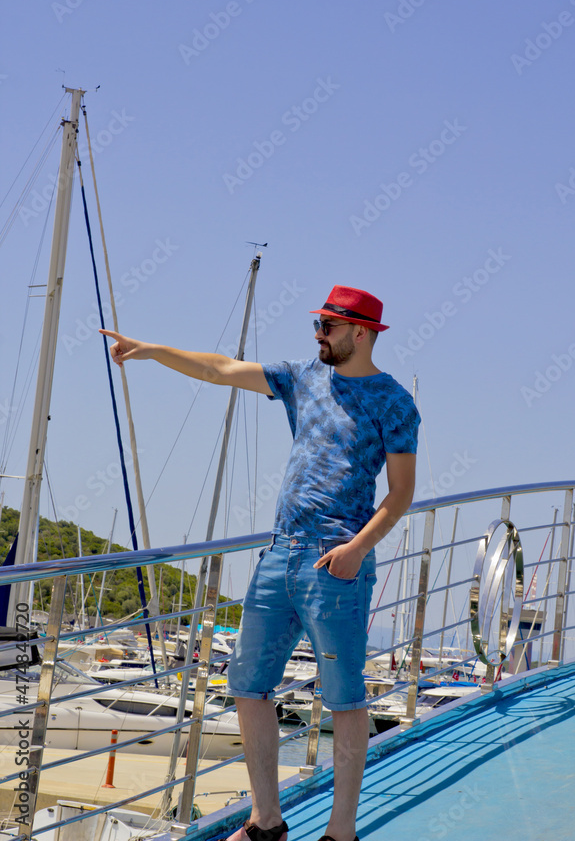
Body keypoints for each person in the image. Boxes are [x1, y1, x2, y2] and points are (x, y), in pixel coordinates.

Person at [101, 284, 420, 841]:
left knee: (344, 698)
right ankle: (265, 822)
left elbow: (400, 494)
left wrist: (356, 550)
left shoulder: (394, 401)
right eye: (316, 324)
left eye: (328, 326)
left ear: (361, 332)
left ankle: (340, 833)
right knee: (248, 686)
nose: (317, 335)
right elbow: (222, 368)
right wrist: (151, 350)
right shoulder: (302, 378)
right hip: (280, 551)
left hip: (337, 557)